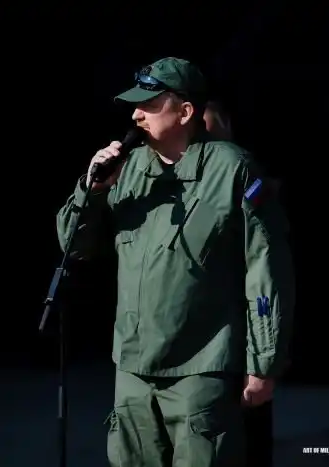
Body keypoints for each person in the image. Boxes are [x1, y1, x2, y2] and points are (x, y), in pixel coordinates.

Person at [55, 57, 295, 467]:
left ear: (185, 112)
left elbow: (266, 271)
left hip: (202, 368)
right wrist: (91, 190)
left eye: (149, 105)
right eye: (135, 105)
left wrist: (263, 364)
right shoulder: (127, 170)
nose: (136, 115)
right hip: (133, 369)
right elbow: (73, 247)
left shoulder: (232, 169)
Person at [203, 100, 276, 467]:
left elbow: (264, 277)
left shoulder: (245, 176)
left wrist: (261, 362)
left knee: (249, 441)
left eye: (208, 129)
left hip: (240, 343)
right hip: (202, 354)